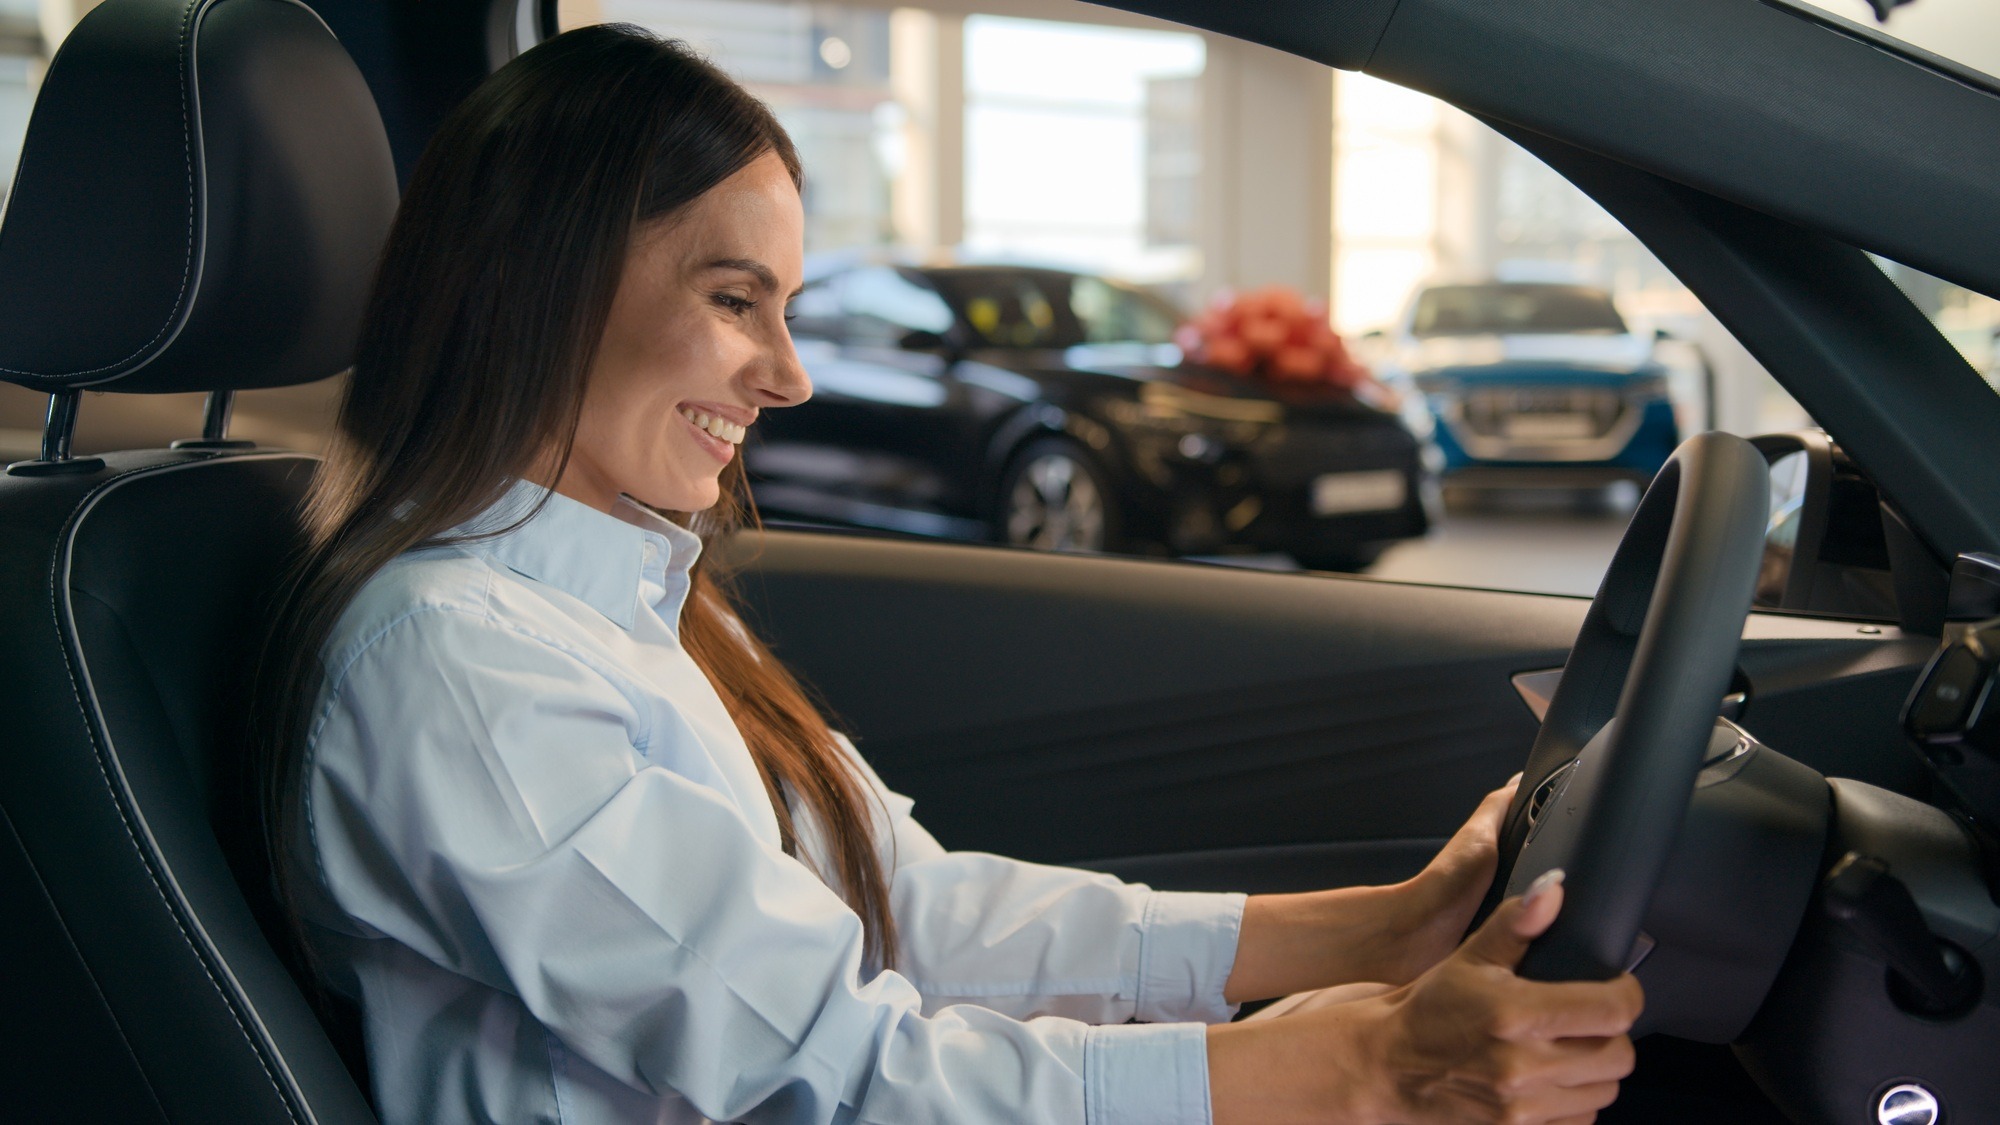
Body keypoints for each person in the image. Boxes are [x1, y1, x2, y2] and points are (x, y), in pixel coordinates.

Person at [250, 25, 1641, 1125]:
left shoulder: (622, 600)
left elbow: (905, 904)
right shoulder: (462, 663)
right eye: (735, 299)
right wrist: (1353, 1073)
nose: (789, 374)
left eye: (787, 308)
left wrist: (1376, 930)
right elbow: (842, 1076)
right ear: (541, 281)